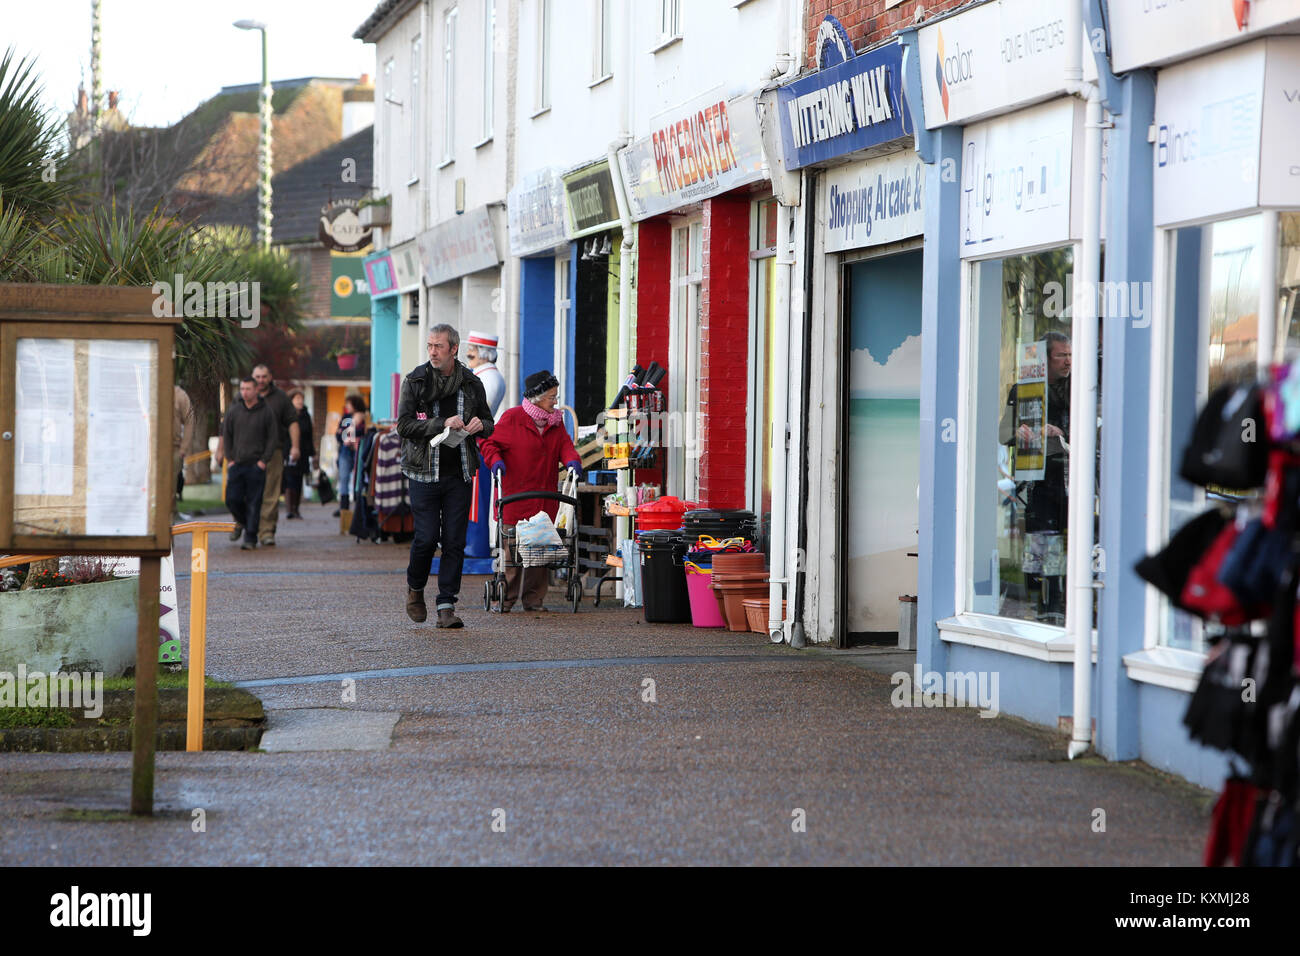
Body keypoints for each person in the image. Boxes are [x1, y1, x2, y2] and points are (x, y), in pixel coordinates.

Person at [397, 324, 495, 628]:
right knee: (426, 538)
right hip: (423, 472)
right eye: (429, 346)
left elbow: (490, 421)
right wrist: (440, 424)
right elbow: (404, 426)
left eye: (439, 346)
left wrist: (481, 425)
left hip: (460, 472)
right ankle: (415, 589)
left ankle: (446, 605)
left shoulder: (471, 382)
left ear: (454, 349)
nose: (433, 351)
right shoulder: (415, 381)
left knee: (455, 540)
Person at [478, 370, 580, 613]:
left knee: (541, 550)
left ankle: (534, 601)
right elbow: (487, 442)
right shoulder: (512, 418)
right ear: (536, 398)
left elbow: (565, 446)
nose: (555, 401)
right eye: (551, 397)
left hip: (544, 498)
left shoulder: (555, 423)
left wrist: (572, 461)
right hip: (516, 498)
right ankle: (507, 598)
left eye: (556, 396)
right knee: (512, 553)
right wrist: (495, 461)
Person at [1000, 330, 1071, 625]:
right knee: (1043, 544)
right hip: (1038, 480)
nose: (1068, 361)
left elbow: (1100, 427)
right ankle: (1045, 604)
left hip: (1071, 477)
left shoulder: (1080, 388)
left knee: (1068, 540)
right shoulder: (1023, 390)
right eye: (1061, 355)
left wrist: (1063, 432)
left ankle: (1058, 602)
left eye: (1070, 354)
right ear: (1045, 358)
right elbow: (1003, 433)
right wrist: (1017, 433)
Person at [217, 377, 277, 550]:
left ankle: (250, 538)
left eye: (248, 389)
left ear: (256, 390)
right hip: (237, 464)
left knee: (254, 502)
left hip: (256, 465)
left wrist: (263, 461)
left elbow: (272, 438)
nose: (244, 392)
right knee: (231, 499)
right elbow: (226, 434)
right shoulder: (234, 410)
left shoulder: (266, 412)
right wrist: (230, 458)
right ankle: (243, 522)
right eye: (242, 389)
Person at [252, 364, 301, 547]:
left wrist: (295, 447)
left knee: (270, 493)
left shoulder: (280, 397)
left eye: (264, 376)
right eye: (257, 376)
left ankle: (266, 531)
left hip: (274, 452)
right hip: (249, 454)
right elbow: (229, 423)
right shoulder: (246, 394)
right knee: (246, 493)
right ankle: (245, 525)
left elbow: (293, 422)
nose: (261, 380)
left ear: (270, 377)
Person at [284, 390, 316, 519]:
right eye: (297, 398)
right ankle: (289, 509)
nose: (300, 401)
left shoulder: (306, 415)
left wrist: (313, 453)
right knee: (289, 480)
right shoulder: (286, 415)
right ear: (291, 400)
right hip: (288, 451)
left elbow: (309, 435)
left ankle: (296, 508)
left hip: (303, 453)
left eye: (301, 398)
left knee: (298, 481)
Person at [333, 394, 365, 517]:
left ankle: (358, 506)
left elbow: (361, 432)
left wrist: (346, 433)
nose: (347, 406)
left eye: (349, 404)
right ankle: (344, 508)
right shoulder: (346, 417)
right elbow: (339, 435)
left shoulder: (364, 417)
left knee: (359, 479)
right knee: (344, 478)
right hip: (346, 451)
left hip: (358, 450)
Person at [465, 330, 507, 417]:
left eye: (472, 350)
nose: (468, 353)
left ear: (485, 353)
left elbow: (478, 413)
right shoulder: (485, 374)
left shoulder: (490, 378)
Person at [173, 384, 194, 521]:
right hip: (147, 447)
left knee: (170, 489)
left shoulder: (179, 394)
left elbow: (189, 420)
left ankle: (169, 523)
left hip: (173, 448)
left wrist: (183, 448)